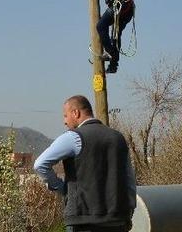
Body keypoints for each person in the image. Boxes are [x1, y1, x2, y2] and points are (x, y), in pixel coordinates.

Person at [34, 95, 136, 232]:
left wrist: (62, 189)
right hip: (117, 220)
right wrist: (129, 211)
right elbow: (129, 179)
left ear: (75, 113)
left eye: (65, 116)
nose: (64, 122)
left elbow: (40, 164)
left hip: (83, 221)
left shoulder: (73, 137)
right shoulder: (118, 138)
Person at [87, 0, 135, 74]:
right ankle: (113, 66)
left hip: (119, 5)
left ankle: (109, 52)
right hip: (127, 9)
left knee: (101, 26)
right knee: (115, 36)